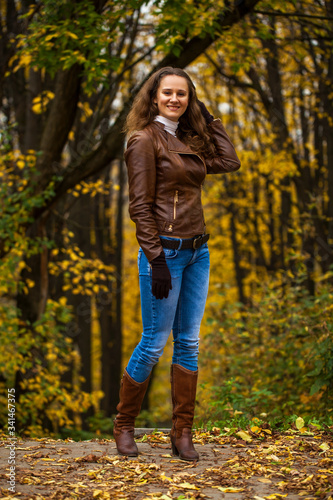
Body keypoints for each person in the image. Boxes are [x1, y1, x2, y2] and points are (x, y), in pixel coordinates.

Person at [113, 67, 240, 461]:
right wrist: (156, 260)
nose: (174, 99)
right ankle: (124, 426)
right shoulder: (143, 140)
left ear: (189, 99)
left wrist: (206, 116)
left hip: (198, 252)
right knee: (154, 343)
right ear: (154, 97)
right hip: (163, 253)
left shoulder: (187, 138)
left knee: (189, 342)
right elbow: (139, 206)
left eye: (182, 94)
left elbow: (229, 161)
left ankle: (181, 432)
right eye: (167, 93)